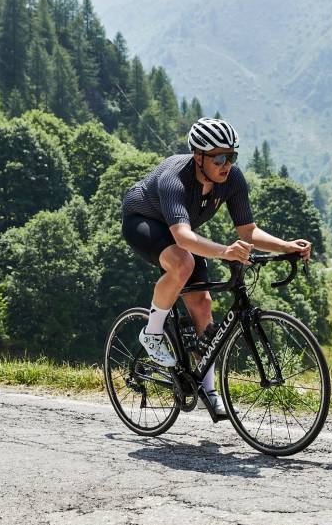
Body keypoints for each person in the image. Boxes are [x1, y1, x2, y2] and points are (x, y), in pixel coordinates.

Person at [121, 118, 312, 415]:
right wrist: (225, 252)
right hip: (144, 221)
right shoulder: (175, 177)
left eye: (231, 156)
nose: (227, 164)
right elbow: (183, 238)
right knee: (182, 262)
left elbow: (248, 231)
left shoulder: (233, 180)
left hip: (182, 231)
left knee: (202, 303)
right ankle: (152, 332)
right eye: (219, 157)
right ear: (199, 156)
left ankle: (207, 390)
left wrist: (286, 245)